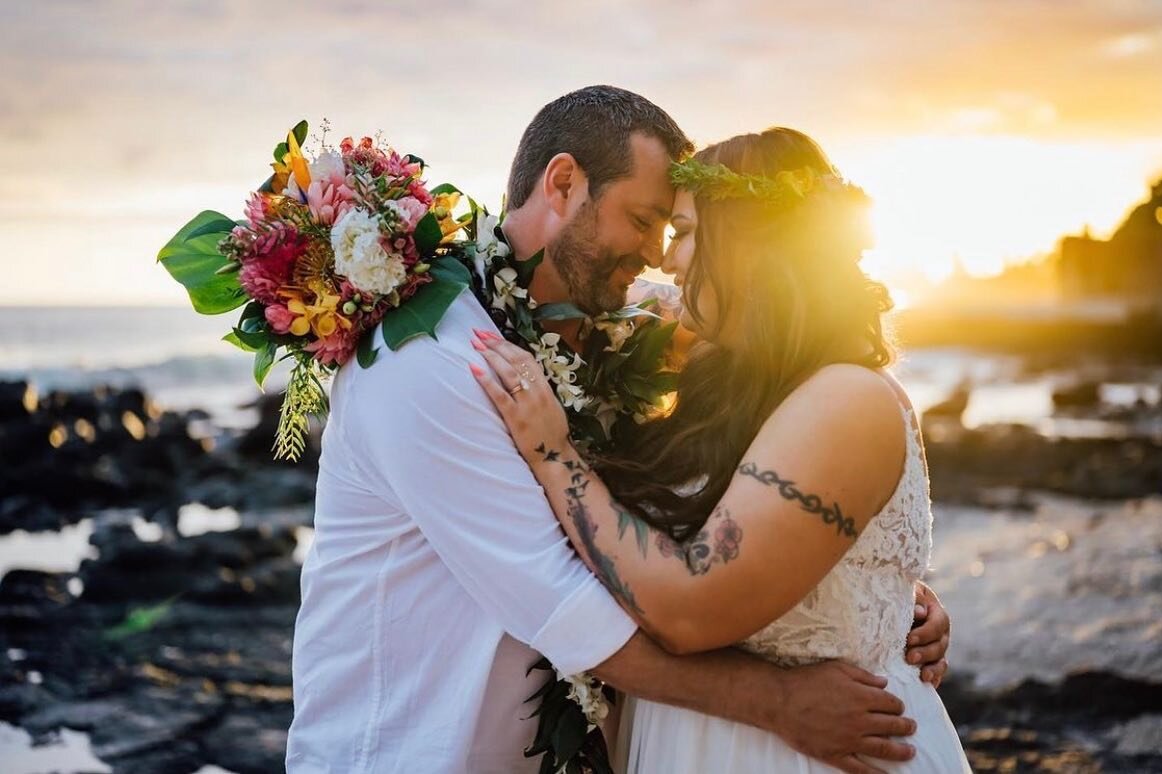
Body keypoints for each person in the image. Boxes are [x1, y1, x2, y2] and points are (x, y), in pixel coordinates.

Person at [287, 87, 952, 774]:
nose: (661, 254)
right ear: (565, 184)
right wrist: (776, 700)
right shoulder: (433, 362)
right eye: (644, 219)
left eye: (677, 229)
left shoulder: (632, 333)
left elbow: (757, 491)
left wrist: (862, 585)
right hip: (416, 749)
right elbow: (567, 605)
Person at [470, 126, 969, 772]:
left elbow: (685, 610)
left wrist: (553, 457)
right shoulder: (725, 372)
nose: (664, 259)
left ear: (744, 245)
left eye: (681, 232)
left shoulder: (847, 398)